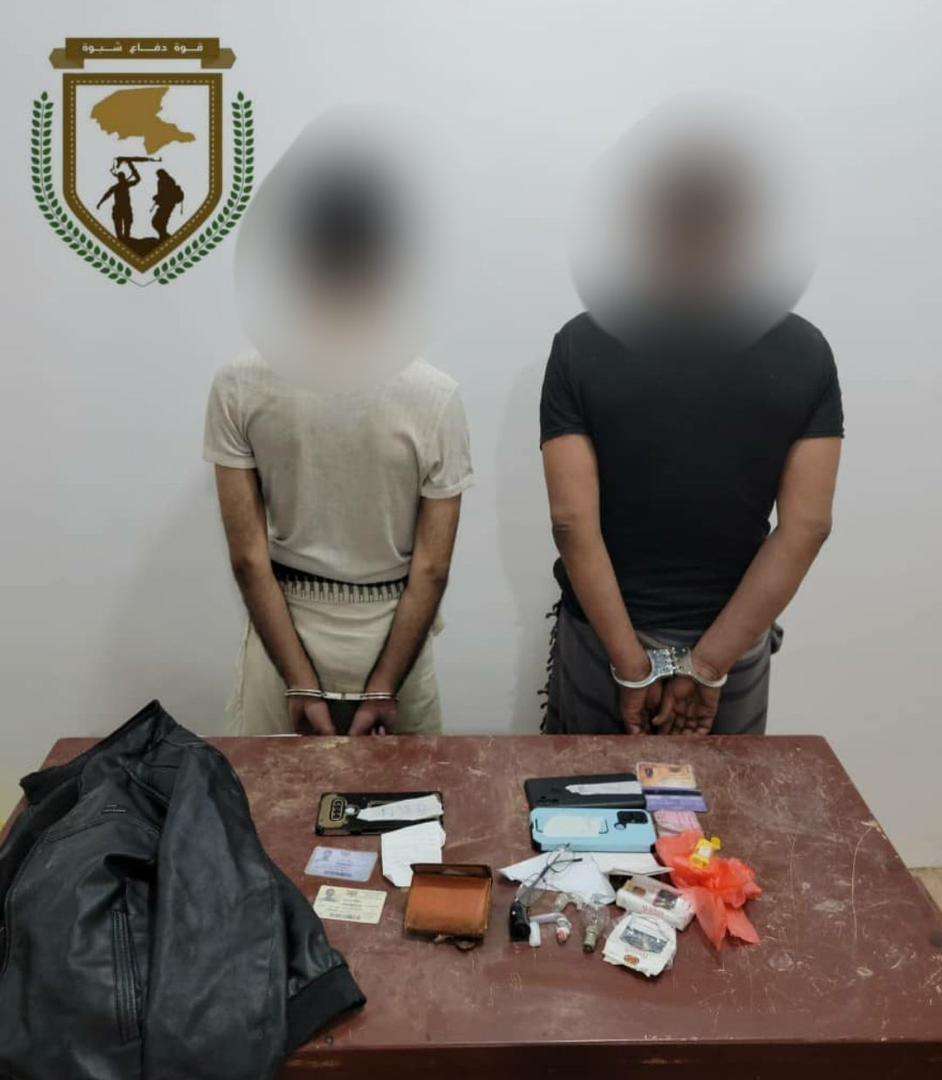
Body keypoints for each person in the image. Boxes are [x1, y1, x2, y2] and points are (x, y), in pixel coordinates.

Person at [540, 150, 843, 737]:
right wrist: (708, 665)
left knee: (587, 796)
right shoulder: (805, 351)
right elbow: (807, 526)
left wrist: (630, 667)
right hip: (732, 648)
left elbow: (572, 522)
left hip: (603, 644)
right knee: (723, 798)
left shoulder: (581, 343)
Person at [204, 164, 473, 738]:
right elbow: (432, 568)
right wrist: (383, 685)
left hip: (282, 642)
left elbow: (248, 559)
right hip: (396, 641)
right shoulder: (435, 396)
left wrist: (299, 683)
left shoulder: (239, 384)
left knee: (266, 799)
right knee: (412, 799)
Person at [96, 160, 140, 240]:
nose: (122, 179)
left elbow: (138, 179)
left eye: (122, 177)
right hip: (119, 208)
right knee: (119, 227)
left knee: (127, 225)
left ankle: (126, 238)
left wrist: (133, 168)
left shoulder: (125, 184)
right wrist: (100, 203)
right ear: (120, 178)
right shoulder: (119, 186)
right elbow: (106, 195)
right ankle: (123, 238)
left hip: (125, 208)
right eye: (121, 177)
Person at [151, 168, 184, 240]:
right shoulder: (163, 180)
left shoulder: (167, 181)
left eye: (158, 174)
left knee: (158, 221)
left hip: (167, 205)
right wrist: (157, 197)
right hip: (166, 205)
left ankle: (164, 237)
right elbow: (162, 193)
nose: (158, 176)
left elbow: (166, 194)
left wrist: (158, 197)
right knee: (159, 222)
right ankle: (164, 236)